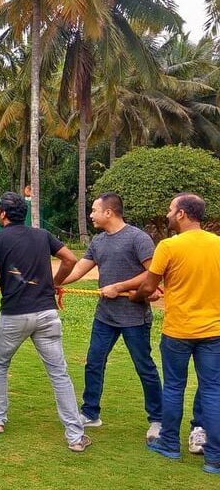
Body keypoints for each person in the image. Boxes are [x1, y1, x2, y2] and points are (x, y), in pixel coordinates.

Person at [0, 192, 91, 452]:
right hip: (46, 314)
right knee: (59, 373)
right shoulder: (42, 235)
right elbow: (70, 259)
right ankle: (75, 436)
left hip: (13, 315)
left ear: (2, 213)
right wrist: (55, 283)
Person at [62, 193, 162, 440]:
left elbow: (152, 273)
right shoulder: (98, 241)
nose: (91, 215)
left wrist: (119, 286)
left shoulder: (138, 238)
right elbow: (79, 269)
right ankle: (90, 413)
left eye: (94, 210)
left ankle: (158, 419)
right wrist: (53, 282)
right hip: (105, 316)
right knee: (94, 363)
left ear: (109, 212)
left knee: (144, 367)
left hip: (134, 317)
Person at [134, 194, 220, 475]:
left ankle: (169, 443)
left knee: (173, 387)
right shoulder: (218, 244)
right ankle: (214, 457)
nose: (168, 214)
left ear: (182, 214)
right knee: (213, 390)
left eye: (171, 210)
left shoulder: (168, 246)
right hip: (214, 331)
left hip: (178, 331)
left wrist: (136, 296)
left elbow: (149, 287)